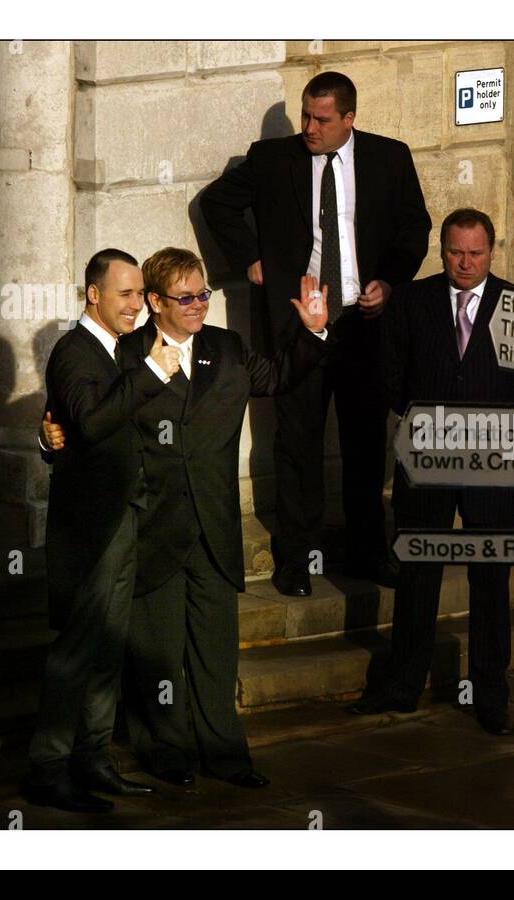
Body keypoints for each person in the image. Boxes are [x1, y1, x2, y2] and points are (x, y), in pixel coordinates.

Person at [44, 249, 330, 788]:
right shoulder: (124, 353)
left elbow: (278, 376)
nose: (199, 305)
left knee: (216, 650)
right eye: (186, 297)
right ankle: (164, 751)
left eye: (203, 294)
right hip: (152, 525)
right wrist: (47, 434)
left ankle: (226, 753)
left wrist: (312, 332)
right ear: (155, 303)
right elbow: (89, 421)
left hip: (215, 526)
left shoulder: (226, 347)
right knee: (157, 653)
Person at [200, 70, 431, 597]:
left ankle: (369, 552)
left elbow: (414, 227)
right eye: (306, 115)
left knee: (365, 444)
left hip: (364, 325)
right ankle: (294, 560)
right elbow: (217, 204)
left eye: (322, 119)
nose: (310, 127)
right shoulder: (272, 159)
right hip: (300, 326)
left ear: (349, 118)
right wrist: (251, 260)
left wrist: (389, 283)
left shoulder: (389, 158)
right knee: (296, 443)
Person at [348, 209, 514, 736]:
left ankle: (491, 697)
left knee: (491, 585)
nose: (465, 263)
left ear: (492, 252)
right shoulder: (412, 302)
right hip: (427, 461)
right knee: (418, 579)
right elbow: (389, 376)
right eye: (456, 253)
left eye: (476, 254)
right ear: (443, 252)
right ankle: (403, 687)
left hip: (493, 467)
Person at [24, 249, 182, 813]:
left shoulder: (123, 349)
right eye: (126, 294)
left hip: (125, 514)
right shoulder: (75, 351)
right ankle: (47, 768)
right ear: (94, 294)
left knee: (109, 645)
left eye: (140, 294)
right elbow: (91, 423)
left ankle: (92, 758)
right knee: (78, 646)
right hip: (91, 527)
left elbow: (79, 423)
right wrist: (148, 375)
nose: (137, 305)